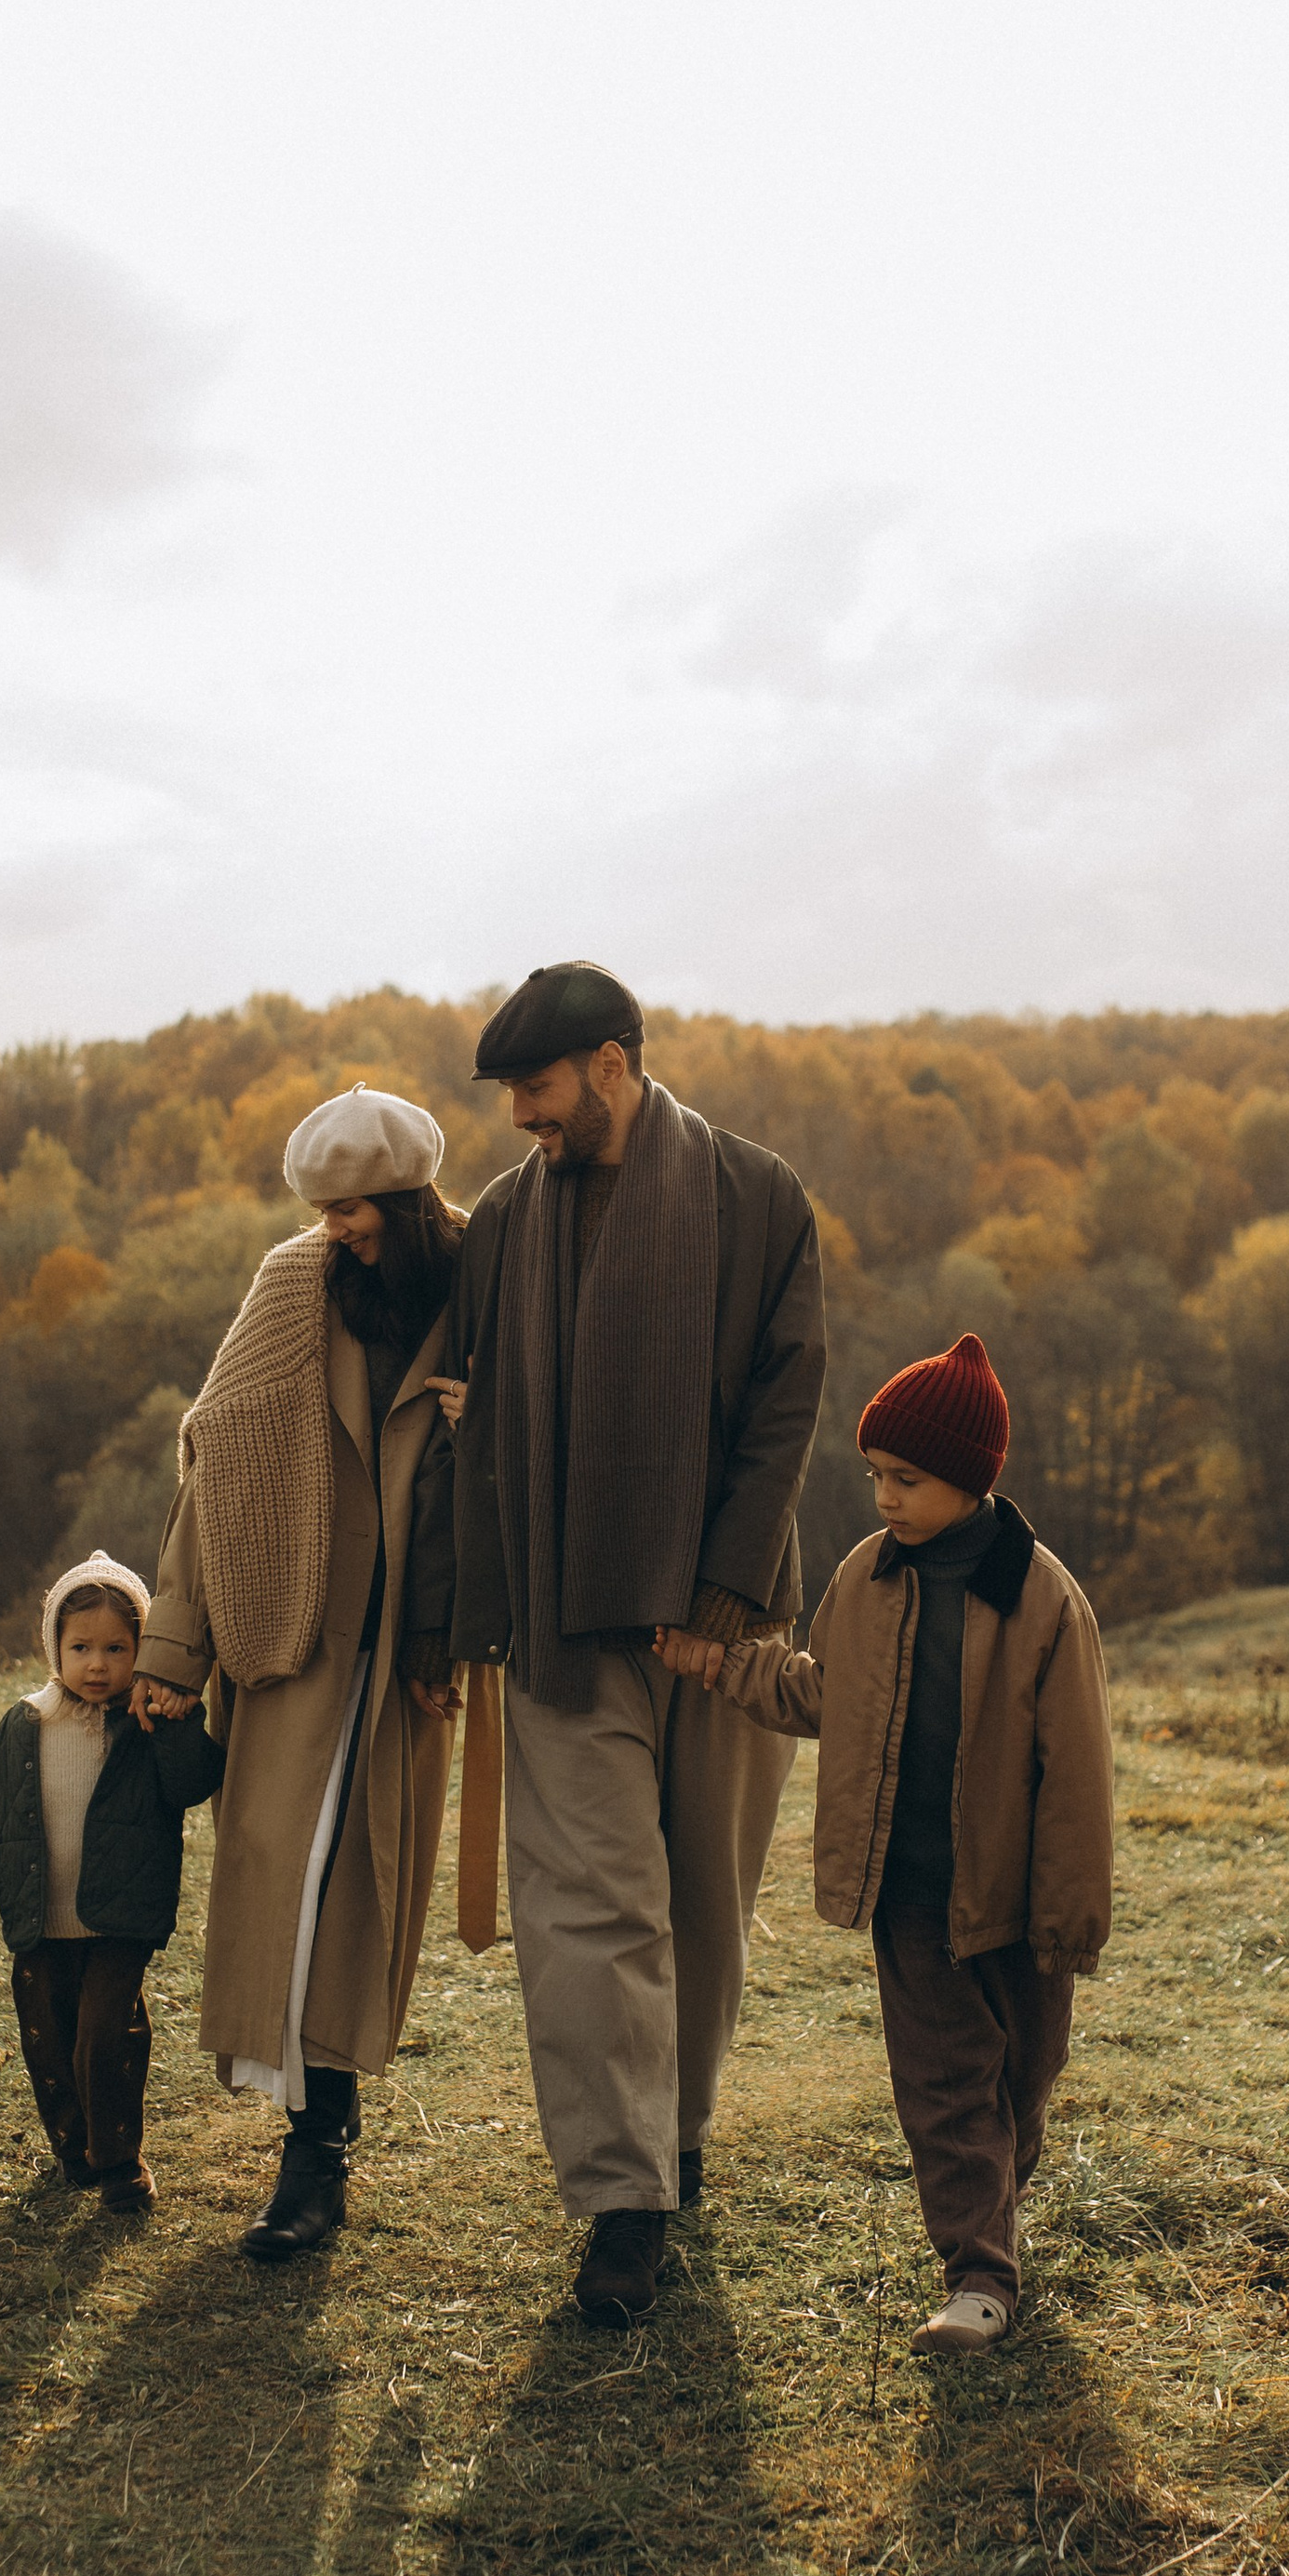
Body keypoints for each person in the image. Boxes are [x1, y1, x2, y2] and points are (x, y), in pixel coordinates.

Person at [445, 960, 825, 2329]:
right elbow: (472, 1423)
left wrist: (723, 1596)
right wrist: (472, 1615)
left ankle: (679, 2135)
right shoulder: (498, 1225)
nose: (522, 1126)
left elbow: (789, 1410)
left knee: (705, 1907)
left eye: (538, 1095)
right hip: (560, 1624)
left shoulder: (757, 1199)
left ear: (613, 1063)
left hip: (718, 1626)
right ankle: (621, 2202)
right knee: (589, 1910)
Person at [661, 1333, 1112, 2355]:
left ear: (966, 1477)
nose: (883, 1500)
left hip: (1012, 1901)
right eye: (874, 1478)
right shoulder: (864, 1580)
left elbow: (1079, 1775)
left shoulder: (1041, 1598)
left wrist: (1069, 1919)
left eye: (904, 1480)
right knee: (945, 2086)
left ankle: (996, 2197)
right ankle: (979, 2280)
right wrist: (715, 1663)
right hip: (908, 1894)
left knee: (1019, 2083)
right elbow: (818, 1690)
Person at [131, 1085, 463, 2262]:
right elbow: (213, 1470)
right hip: (292, 1639)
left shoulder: (481, 1290)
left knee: (357, 1897)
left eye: (355, 1208)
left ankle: (320, 2154)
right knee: (286, 1878)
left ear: (409, 1200)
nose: (337, 1230)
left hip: (412, 1659)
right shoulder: (293, 1287)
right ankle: (305, 2152)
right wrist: (174, 1651)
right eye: (321, 1210)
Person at [0, 1551, 224, 2212]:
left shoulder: (148, 1724)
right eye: (81, 1647)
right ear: (54, 1649)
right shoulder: (25, 1724)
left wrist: (177, 1722)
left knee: (105, 2035)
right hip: (41, 1919)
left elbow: (193, 1784)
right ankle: (75, 2151)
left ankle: (121, 2160)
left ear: (142, 1650)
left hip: (121, 1919)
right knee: (49, 2037)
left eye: (118, 1648)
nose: (99, 1665)